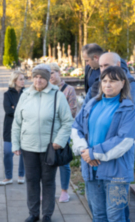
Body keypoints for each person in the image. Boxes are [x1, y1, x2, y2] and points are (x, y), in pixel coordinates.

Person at [72, 66, 135, 222]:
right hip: (92, 169)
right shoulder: (92, 103)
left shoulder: (129, 109)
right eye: (105, 80)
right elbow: (76, 128)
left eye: (113, 81)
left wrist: (93, 153)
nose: (108, 84)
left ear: (123, 83)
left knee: (116, 217)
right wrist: (85, 151)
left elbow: (124, 140)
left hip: (117, 174)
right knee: (98, 215)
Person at [12, 64, 73, 222]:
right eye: (35, 77)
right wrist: (15, 144)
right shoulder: (25, 94)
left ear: (47, 79)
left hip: (50, 148)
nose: (38, 80)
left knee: (48, 181)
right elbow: (17, 122)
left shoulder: (57, 96)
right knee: (31, 181)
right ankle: (33, 213)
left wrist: (59, 141)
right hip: (28, 146)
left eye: (42, 78)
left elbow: (67, 122)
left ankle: (47, 215)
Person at [49, 63, 77, 203]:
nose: (51, 75)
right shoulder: (44, 89)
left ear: (59, 73)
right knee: (47, 161)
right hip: (46, 131)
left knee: (63, 161)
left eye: (53, 72)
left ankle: (64, 191)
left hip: (62, 131)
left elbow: (72, 111)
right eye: (48, 73)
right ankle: (49, 191)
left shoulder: (68, 90)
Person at [0, 71, 25, 186]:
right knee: (8, 152)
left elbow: (28, 110)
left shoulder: (27, 94)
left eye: (24, 79)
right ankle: (8, 177)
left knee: (24, 152)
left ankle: (21, 175)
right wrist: (21, 111)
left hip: (24, 127)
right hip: (9, 126)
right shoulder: (7, 94)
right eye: (21, 79)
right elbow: (8, 111)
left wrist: (15, 107)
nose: (24, 81)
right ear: (15, 81)